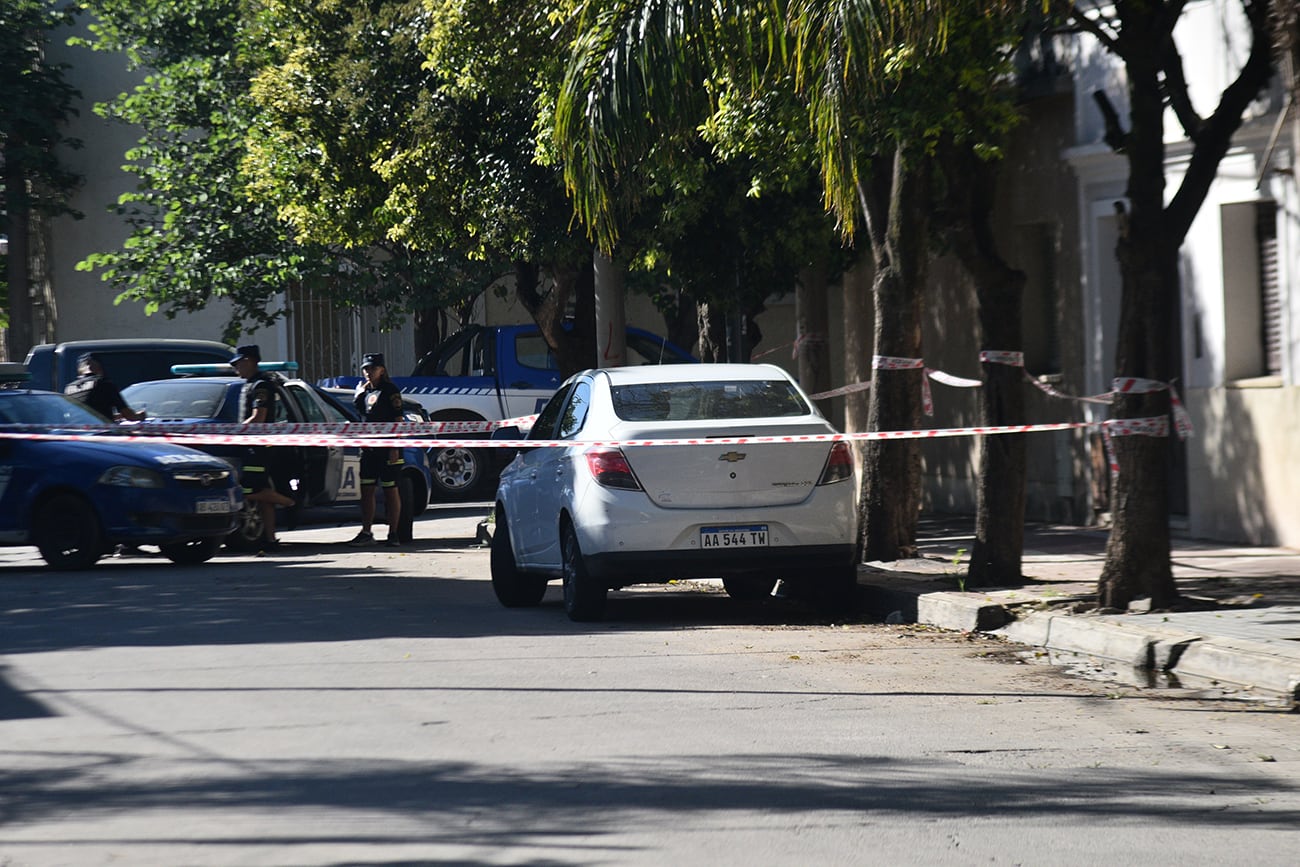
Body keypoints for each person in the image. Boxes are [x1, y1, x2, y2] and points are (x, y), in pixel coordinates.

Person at [230, 344, 295, 552]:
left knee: (249, 489)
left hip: (258, 446)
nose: (235, 369)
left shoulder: (261, 386)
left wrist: (236, 431)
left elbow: (259, 417)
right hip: (251, 444)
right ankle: (270, 538)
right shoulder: (250, 384)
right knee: (263, 493)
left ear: (249, 361)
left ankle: (290, 503)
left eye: (238, 363)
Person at [350, 352, 404, 547]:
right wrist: (358, 394)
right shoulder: (364, 393)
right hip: (369, 450)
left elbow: (399, 421)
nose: (368, 372)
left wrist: (395, 447)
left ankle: (394, 533)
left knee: (391, 491)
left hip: (388, 448)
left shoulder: (390, 390)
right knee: (367, 490)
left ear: (382, 370)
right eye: (365, 368)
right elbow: (360, 417)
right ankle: (366, 532)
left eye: (372, 368)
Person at [64, 353, 146, 421]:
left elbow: (88, 415)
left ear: (79, 370)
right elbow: (129, 416)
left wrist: (118, 416)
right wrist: (139, 416)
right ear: (99, 368)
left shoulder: (69, 388)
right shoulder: (103, 383)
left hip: (75, 434)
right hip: (100, 434)